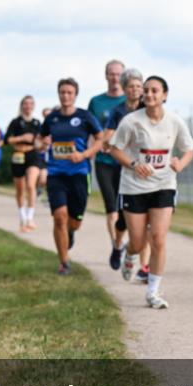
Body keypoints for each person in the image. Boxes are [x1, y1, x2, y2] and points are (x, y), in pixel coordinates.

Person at [109, 76, 193, 308]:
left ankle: (153, 292)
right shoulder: (131, 121)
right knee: (138, 242)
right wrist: (135, 164)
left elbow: (189, 149)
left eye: (154, 91)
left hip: (164, 184)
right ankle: (130, 253)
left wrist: (180, 164)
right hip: (134, 187)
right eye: (146, 91)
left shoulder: (174, 121)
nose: (149, 94)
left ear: (165, 95)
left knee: (158, 238)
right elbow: (114, 149)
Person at [40, 79, 103, 275]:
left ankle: (71, 232)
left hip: (79, 174)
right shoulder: (52, 118)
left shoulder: (85, 117)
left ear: (75, 95)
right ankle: (64, 262)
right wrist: (43, 142)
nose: (65, 96)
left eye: (69, 92)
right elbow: (41, 138)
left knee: (74, 221)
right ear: (58, 94)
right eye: (62, 92)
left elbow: (100, 139)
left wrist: (84, 155)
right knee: (59, 217)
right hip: (56, 174)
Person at [104, 69, 151, 278]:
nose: (136, 90)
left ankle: (144, 266)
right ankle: (117, 245)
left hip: (146, 169)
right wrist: (110, 142)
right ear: (124, 89)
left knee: (148, 218)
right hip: (123, 169)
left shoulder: (148, 108)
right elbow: (108, 137)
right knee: (123, 218)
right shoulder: (118, 112)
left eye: (139, 86)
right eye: (131, 86)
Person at [88, 59, 128, 269]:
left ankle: (122, 241)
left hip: (127, 163)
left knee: (126, 209)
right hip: (104, 162)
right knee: (111, 207)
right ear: (106, 76)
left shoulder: (131, 101)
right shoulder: (96, 102)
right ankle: (116, 245)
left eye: (118, 74)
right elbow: (90, 130)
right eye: (111, 74)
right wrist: (92, 150)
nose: (115, 78)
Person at [6, 95, 43, 232]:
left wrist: (41, 144)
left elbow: (40, 140)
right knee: (20, 189)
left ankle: (30, 217)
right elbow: (7, 140)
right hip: (18, 155)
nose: (28, 106)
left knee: (31, 184)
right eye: (25, 104)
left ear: (33, 106)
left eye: (30, 104)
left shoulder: (37, 123)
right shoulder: (15, 122)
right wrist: (22, 138)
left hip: (32, 155)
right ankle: (22, 217)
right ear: (22, 106)